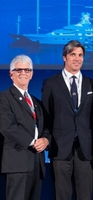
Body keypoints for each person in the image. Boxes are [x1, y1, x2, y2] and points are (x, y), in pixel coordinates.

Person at [42, 40, 93, 200]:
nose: (77, 58)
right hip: (60, 149)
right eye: (73, 54)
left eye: (80, 55)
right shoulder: (51, 84)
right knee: (62, 195)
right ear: (64, 57)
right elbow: (46, 116)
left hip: (85, 150)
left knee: (85, 195)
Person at [0, 55, 51, 200]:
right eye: (19, 70)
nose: (23, 73)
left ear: (32, 74)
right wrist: (32, 141)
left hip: (37, 163)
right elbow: (7, 126)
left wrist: (45, 140)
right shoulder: (4, 98)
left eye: (27, 70)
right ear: (11, 74)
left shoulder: (36, 102)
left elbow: (45, 128)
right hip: (17, 163)